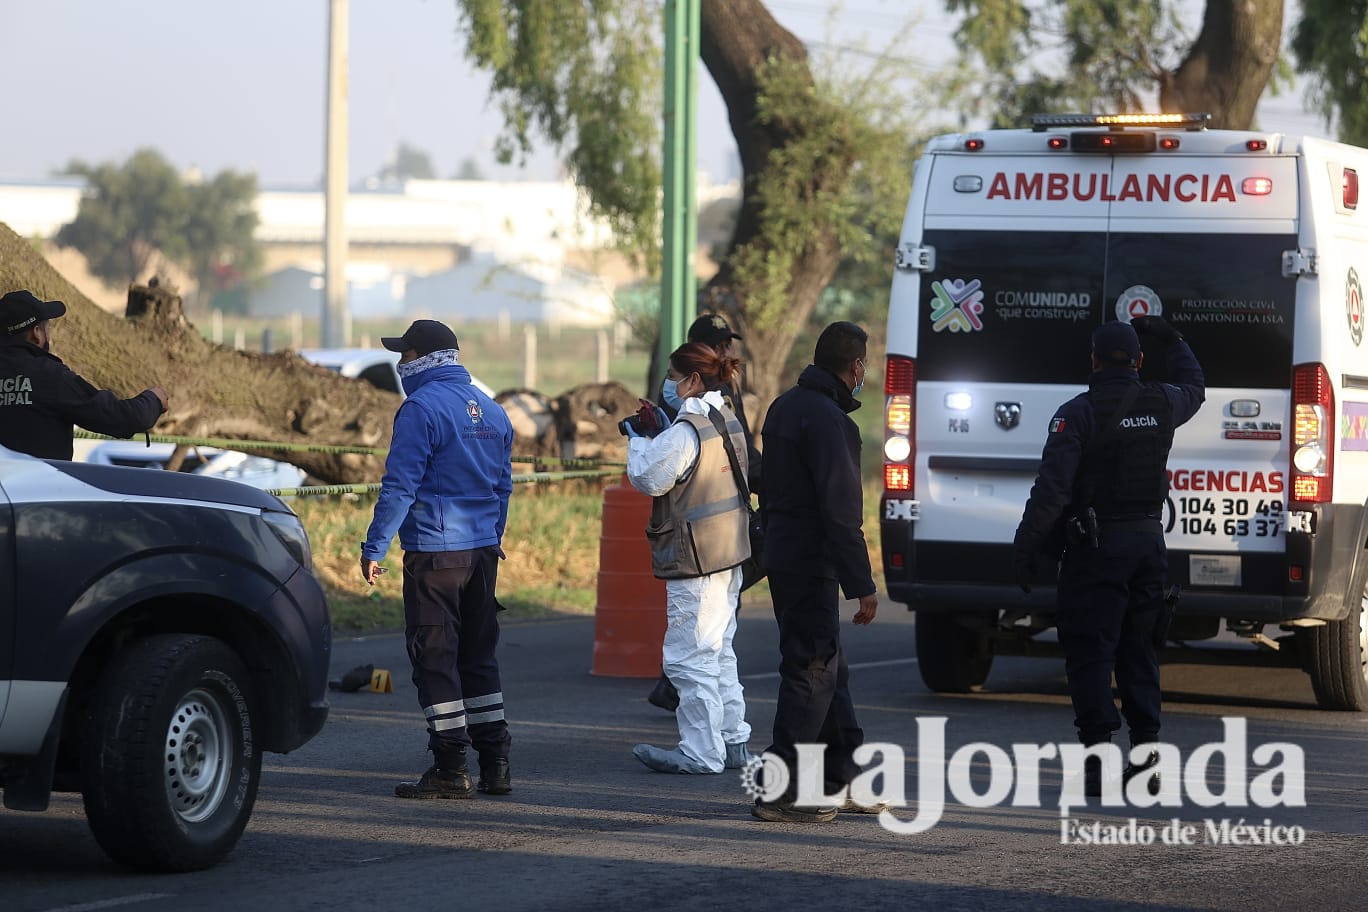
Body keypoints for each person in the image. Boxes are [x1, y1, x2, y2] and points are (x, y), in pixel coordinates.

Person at [1012, 316, 1204, 796]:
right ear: (1139, 361)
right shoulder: (1163, 401)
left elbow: (1052, 491)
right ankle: (1147, 761)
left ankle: (1097, 766)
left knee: (1090, 653)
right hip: (1147, 545)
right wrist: (1175, 340)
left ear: (1093, 360)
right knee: (1139, 649)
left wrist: (1026, 544)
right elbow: (1195, 387)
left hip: (1096, 549)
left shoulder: (1077, 413)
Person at [360, 319, 516, 800]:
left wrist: (374, 546)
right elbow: (503, 487)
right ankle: (496, 763)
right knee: (478, 657)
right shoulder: (493, 412)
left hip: (435, 552)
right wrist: (493, 537)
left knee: (435, 658)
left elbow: (401, 485)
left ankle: (451, 767)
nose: (400, 363)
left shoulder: (420, 409)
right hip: (482, 553)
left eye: (404, 354)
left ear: (424, 359)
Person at [753, 321, 879, 824]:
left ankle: (839, 776)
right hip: (812, 559)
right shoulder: (831, 422)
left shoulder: (784, 407)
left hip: (784, 553)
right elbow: (841, 512)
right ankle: (782, 792)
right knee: (810, 672)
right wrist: (863, 585)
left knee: (830, 669)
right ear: (856, 367)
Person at [625, 341, 755, 775]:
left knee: (688, 657)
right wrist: (663, 432)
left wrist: (639, 439)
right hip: (729, 552)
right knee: (719, 652)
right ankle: (734, 742)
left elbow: (650, 478)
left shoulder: (687, 430)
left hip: (696, 559)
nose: (668, 383)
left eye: (673, 375)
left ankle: (701, 752)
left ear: (693, 380)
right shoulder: (726, 419)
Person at [647, 311, 761, 713]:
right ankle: (716, 732)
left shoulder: (716, 394)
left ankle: (706, 736)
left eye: (727, 343)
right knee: (708, 634)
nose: (725, 350)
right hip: (705, 529)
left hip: (711, 530)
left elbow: (742, 445)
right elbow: (663, 467)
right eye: (718, 344)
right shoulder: (690, 401)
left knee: (707, 633)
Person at [0, 289, 168, 459]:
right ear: (36, 333)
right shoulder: (49, 376)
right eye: (47, 327)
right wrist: (153, 400)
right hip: (43, 484)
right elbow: (119, 418)